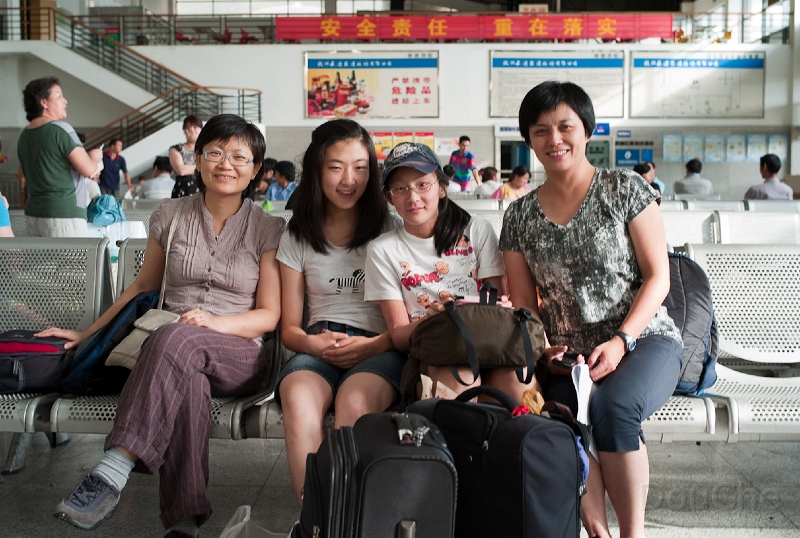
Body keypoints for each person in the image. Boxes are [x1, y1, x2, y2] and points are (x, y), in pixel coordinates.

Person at [41, 114, 284, 538]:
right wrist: (88, 334)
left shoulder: (267, 228)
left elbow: (269, 315)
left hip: (241, 353)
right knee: (186, 375)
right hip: (173, 354)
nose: (226, 164)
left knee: (176, 338)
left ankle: (114, 467)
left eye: (239, 157)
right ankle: (184, 523)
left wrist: (215, 323)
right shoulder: (170, 215)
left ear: (256, 170)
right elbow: (140, 287)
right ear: (197, 158)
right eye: (215, 153)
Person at [501, 81, 681, 538]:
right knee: (553, 420)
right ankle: (597, 529)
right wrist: (541, 352)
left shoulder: (626, 189)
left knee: (615, 409)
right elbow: (524, 303)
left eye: (565, 127)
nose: (554, 140)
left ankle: (632, 534)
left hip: (643, 339)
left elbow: (658, 277)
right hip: (568, 356)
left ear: (587, 131)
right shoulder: (518, 215)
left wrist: (621, 342)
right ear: (528, 140)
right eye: (540, 131)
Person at [275, 118, 406, 502]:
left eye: (361, 168)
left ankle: (350, 518)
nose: (349, 180)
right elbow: (289, 331)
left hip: (382, 345)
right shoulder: (297, 235)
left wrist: (371, 346)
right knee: (298, 396)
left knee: (354, 401)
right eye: (336, 167)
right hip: (319, 347)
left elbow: (408, 320)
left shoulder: (391, 228)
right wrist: (316, 346)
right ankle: (315, 518)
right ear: (317, 170)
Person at [365, 142, 538, 403]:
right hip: (436, 351)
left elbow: (497, 302)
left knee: (519, 389)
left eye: (423, 184)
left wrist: (491, 307)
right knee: (460, 387)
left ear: (442, 188)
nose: (412, 197)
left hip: (489, 343)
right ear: (389, 197)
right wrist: (436, 319)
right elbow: (400, 336)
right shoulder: (382, 250)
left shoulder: (476, 230)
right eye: (401, 188)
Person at [17, 77, 102, 237]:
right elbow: (88, 169)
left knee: (42, 262)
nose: (65, 101)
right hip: (64, 214)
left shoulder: (24, 135)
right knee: (73, 262)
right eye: (59, 96)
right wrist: (94, 156)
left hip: (33, 213)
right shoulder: (61, 130)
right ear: (44, 102)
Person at [170, 115, 203, 198]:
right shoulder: (176, 149)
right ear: (185, 131)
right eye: (190, 128)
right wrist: (202, 166)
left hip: (203, 187)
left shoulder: (205, 148)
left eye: (196, 127)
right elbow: (181, 170)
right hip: (183, 189)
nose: (193, 131)